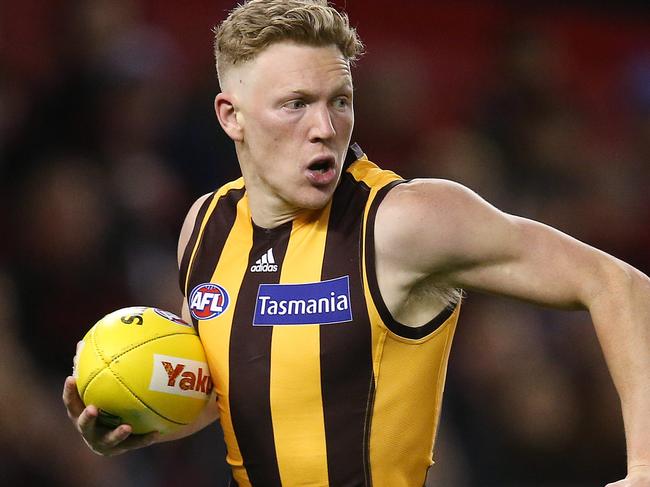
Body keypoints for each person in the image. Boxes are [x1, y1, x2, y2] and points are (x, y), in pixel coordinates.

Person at [63, 1, 650, 485]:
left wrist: (644, 467)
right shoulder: (207, 225)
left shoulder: (404, 220)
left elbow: (619, 284)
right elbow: (240, 390)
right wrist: (142, 420)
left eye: (339, 100)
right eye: (296, 104)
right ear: (231, 116)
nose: (325, 126)